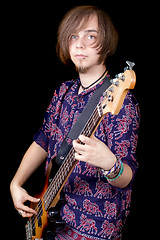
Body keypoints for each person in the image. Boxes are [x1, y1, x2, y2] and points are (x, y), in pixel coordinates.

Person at [10, 5, 140, 240]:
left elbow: (127, 176)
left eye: (90, 36)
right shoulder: (63, 92)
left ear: (107, 43)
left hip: (94, 229)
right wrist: (15, 183)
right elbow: (43, 139)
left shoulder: (121, 101)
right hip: (54, 215)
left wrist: (109, 162)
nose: (79, 44)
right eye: (73, 36)